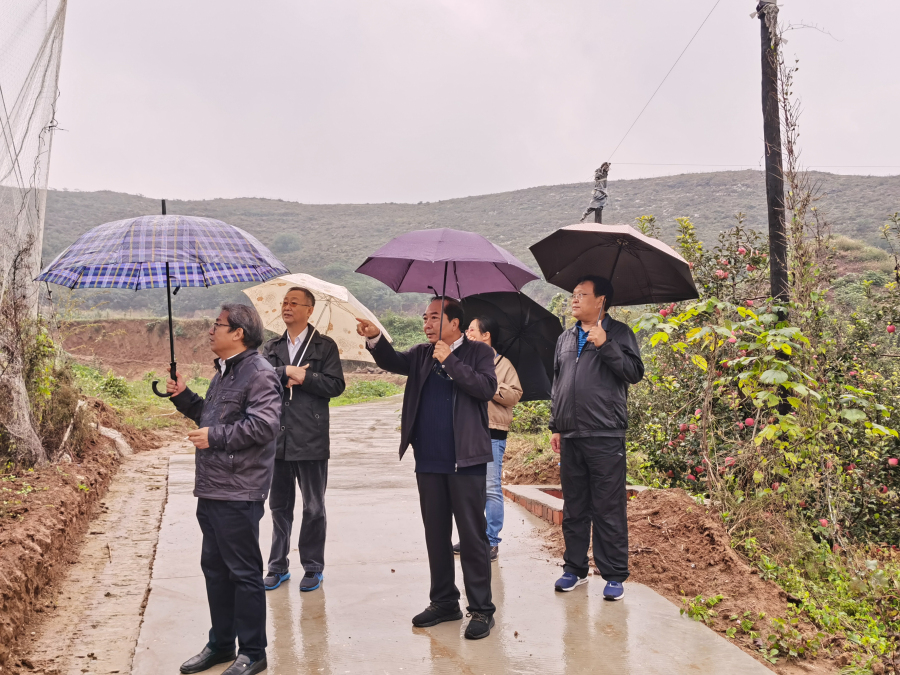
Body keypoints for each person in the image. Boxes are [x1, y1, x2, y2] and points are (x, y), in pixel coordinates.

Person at [355, 297, 499, 640]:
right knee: (436, 534)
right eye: (425, 318)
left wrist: (451, 360)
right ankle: (444, 602)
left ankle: (481, 609)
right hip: (429, 459)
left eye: (434, 317)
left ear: (455, 323)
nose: (427, 324)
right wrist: (375, 337)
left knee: (472, 536)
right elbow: (392, 360)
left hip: (466, 459)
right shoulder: (421, 353)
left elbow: (485, 388)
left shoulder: (479, 352)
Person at [167, 304, 282, 675]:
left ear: (238, 333)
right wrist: (184, 396)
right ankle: (221, 644)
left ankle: (253, 651)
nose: (211, 330)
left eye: (217, 325)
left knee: (243, 573)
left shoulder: (259, 373)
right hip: (213, 487)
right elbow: (210, 416)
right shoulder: (225, 371)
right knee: (215, 569)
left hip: (239, 489)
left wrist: (214, 437)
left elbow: (264, 426)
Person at [549, 276, 644, 600]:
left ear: (600, 300)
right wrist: (556, 425)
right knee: (574, 507)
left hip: (605, 433)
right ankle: (574, 569)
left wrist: (606, 344)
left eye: (582, 294)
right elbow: (558, 382)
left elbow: (634, 373)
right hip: (571, 435)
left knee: (608, 507)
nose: (574, 299)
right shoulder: (565, 338)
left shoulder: (619, 333)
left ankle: (613, 574)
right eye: (573, 294)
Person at [261, 286, 346, 592]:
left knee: (313, 507)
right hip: (278, 437)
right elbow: (260, 379)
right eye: (284, 302)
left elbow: (336, 385)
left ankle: (312, 567)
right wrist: (285, 371)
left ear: (309, 310)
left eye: (294, 303)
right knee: (278, 507)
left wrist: (305, 377)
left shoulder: (324, 347)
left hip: (311, 437)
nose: (287, 307)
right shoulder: (272, 346)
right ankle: (277, 566)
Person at [453, 315, 522, 561]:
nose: (467, 333)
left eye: (472, 330)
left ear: (486, 335)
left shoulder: (504, 364)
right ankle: (471, 537)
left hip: (492, 432)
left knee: (491, 488)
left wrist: (486, 384)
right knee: (468, 488)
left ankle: (491, 541)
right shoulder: (462, 360)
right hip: (466, 432)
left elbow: (515, 395)